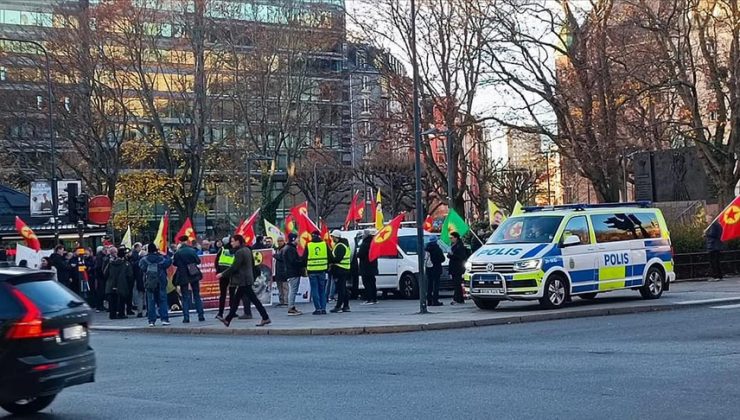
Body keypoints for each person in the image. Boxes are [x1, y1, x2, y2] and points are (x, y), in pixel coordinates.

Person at [217, 235, 271, 327]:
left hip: (243, 280)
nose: (231, 243)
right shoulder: (247, 249)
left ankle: (265, 317)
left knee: (253, 300)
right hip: (246, 278)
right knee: (238, 300)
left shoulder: (240, 252)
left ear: (238, 241)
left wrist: (222, 274)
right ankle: (228, 319)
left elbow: (234, 267)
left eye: (233, 241)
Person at [173, 235, 205, 323]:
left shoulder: (178, 252)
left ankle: (186, 317)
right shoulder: (192, 250)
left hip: (182, 274)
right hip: (193, 272)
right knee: (196, 295)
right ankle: (201, 315)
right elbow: (198, 261)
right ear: (187, 241)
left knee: (185, 296)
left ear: (180, 242)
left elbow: (175, 263)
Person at [140, 243, 172, 327]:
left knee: (151, 301)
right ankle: (164, 319)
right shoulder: (161, 258)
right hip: (161, 281)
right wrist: (163, 254)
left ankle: (151, 321)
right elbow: (168, 262)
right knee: (162, 300)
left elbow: (141, 267)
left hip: (150, 282)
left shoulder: (144, 260)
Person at [104, 247, 133, 319]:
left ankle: (112, 314)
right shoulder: (125, 264)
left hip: (110, 284)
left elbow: (105, 273)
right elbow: (130, 274)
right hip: (122, 284)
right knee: (121, 300)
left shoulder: (110, 263)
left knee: (112, 300)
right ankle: (121, 313)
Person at [305, 230, 329, 315]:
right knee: (322, 290)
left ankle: (318, 308)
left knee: (314, 289)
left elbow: (304, 258)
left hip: (312, 271)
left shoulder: (309, 245)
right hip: (322, 270)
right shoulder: (324, 244)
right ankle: (323, 308)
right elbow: (330, 256)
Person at [329, 230, 351, 313]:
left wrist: (330, 260)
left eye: (333, 237)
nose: (332, 238)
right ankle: (346, 306)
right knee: (343, 288)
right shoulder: (343, 245)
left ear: (336, 237)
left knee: (341, 289)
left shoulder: (340, 246)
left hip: (340, 269)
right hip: (343, 269)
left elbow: (338, 259)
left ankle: (338, 306)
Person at [284, 233, 303, 315]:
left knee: (293, 290)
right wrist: (302, 262)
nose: (298, 241)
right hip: (293, 272)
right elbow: (293, 261)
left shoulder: (289, 248)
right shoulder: (290, 249)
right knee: (293, 290)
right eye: (297, 239)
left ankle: (292, 306)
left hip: (292, 272)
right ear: (293, 239)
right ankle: (291, 307)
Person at [357, 229, 378, 304]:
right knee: (372, 283)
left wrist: (357, 254)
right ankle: (374, 299)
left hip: (365, 267)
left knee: (366, 283)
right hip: (373, 266)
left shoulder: (365, 243)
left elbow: (360, 254)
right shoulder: (374, 243)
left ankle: (369, 299)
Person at [448, 232, 469, 305]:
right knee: (456, 283)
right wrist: (449, 255)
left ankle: (457, 299)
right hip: (453, 266)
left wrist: (452, 255)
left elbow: (461, 257)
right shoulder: (453, 245)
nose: (451, 239)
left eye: (452, 238)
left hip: (458, 267)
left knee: (457, 283)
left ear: (456, 238)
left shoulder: (459, 246)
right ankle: (459, 299)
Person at [425, 236, 445, 306]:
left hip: (428, 268)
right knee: (436, 285)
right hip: (436, 268)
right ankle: (435, 300)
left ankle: (429, 301)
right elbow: (442, 259)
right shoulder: (437, 249)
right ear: (436, 241)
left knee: (429, 285)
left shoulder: (426, 248)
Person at [273, 236, 289, 307]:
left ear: (284, 241)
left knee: (285, 287)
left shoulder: (286, 249)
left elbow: (282, 258)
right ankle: (281, 301)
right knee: (279, 288)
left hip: (284, 271)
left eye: (281, 241)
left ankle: (286, 301)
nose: (279, 242)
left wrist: (275, 255)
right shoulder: (277, 249)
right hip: (278, 271)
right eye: (278, 241)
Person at [128, 243, 144, 317]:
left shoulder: (136, 261)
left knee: (140, 295)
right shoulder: (137, 258)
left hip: (138, 279)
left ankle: (140, 311)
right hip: (143, 280)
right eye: (140, 246)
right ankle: (145, 311)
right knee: (145, 296)